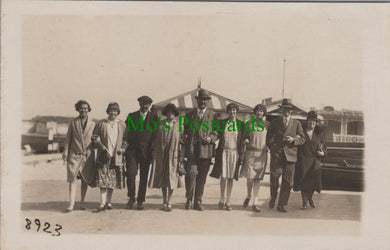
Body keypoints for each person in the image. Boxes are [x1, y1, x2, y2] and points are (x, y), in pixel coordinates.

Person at [266, 98, 305, 213]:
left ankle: (282, 204)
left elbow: (302, 138)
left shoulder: (297, 123)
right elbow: (269, 138)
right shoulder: (275, 122)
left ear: (291, 111)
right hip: (277, 156)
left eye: (288, 109)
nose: (286, 111)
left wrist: (294, 140)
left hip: (291, 156)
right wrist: (273, 149)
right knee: (274, 179)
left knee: (288, 182)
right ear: (281, 110)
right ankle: (273, 197)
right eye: (284, 109)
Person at [184, 89, 218, 211]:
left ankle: (198, 201)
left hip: (206, 151)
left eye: (205, 99)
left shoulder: (213, 115)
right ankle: (188, 199)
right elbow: (184, 133)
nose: (202, 101)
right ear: (197, 100)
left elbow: (216, 131)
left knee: (202, 177)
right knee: (191, 174)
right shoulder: (189, 114)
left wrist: (210, 138)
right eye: (200, 99)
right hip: (192, 151)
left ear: (208, 101)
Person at [148, 103, 185, 212]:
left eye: (172, 113)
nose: (170, 115)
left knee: (172, 178)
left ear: (175, 114)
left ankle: (169, 201)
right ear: (165, 113)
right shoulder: (160, 124)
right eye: (168, 112)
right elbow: (155, 140)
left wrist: (181, 156)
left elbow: (183, 141)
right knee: (163, 178)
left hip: (174, 155)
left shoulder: (179, 126)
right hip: (161, 155)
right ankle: (164, 200)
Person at [91, 102, 127, 211]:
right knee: (103, 179)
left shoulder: (122, 124)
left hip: (116, 156)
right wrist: (98, 143)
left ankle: (109, 202)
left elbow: (126, 140)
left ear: (118, 112)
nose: (113, 113)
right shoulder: (101, 123)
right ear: (108, 111)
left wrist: (123, 148)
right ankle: (102, 203)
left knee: (112, 180)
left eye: (115, 111)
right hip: (103, 155)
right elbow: (94, 137)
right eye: (111, 110)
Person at [124, 96, 159, 210]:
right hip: (132, 151)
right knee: (130, 174)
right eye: (142, 103)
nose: (144, 105)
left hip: (146, 152)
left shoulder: (154, 117)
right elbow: (125, 132)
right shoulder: (131, 116)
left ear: (149, 105)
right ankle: (131, 197)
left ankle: (140, 200)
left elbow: (155, 136)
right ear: (139, 103)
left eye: (147, 103)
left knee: (143, 177)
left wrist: (153, 151)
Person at [63, 100, 95, 212]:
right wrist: (65, 152)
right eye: (81, 108)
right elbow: (68, 139)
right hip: (74, 154)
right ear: (78, 109)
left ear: (88, 109)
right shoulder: (73, 122)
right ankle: (71, 203)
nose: (83, 110)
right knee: (72, 179)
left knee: (85, 180)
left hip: (87, 155)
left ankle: (82, 201)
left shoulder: (93, 123)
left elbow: (95, 139)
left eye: (86, 108)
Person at [210, 103, 243, 211]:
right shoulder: (223, 123)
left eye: (234, 110)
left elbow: (244, 138)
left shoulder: (241, 124)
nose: (232, 112)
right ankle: (221, 198)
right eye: (230, 110)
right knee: (223, 176)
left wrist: (245, 145)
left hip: (234, 153)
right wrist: (212, 137)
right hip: (223, 152)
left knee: (230, 177)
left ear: (236, 112)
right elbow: (217, 134)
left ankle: (228, 201)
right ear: (227, 111)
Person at [239, 104, 270, 212]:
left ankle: (255, 203)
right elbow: (244, 136)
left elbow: (270, 139)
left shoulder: (268, 125)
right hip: (250, 154)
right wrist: (246, 140)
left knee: (258, 179)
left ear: (264, 113)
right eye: (257, 111)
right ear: (255, 112)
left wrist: (268, 146)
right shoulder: (249, 124)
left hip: (261, 154)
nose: (259, 113)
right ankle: (248, 195)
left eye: (261, 111)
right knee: (250, 178)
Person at [293, 111, 326, 209]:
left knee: (313, 183)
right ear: (307, 121)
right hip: (303, 160)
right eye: (310, 121)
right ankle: (304, 202)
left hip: (315, 161)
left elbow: (324, 146)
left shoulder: (319, 133)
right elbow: (296, 143)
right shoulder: (301, 131)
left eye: (314, 122)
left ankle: (310, 199)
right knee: (303, 183)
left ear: (316, 123)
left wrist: (323, 153)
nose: (312, 123)